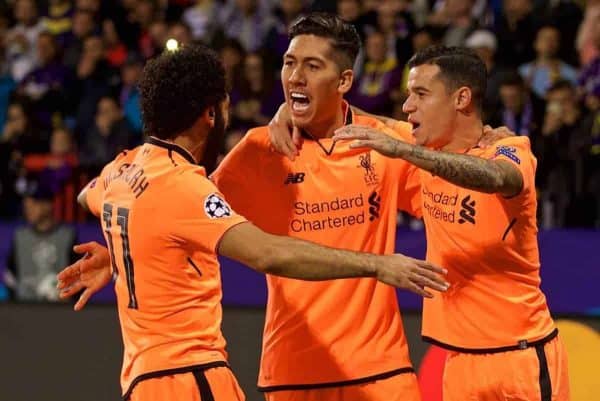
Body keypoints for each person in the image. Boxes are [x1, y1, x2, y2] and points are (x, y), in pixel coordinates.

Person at [56, 43, 448, 401]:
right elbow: (266, 253)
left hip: (143, 379)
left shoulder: (120, 169)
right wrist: (378, 264)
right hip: (190, 377)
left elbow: (87, 196)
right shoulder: (185, 186)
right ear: (210, 114)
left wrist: (127, 250)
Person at [332, 46, 570, 401]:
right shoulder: (427, 148)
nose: (407, 106)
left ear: (461, 99)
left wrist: (405, 152)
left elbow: (497, 177)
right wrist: (285, 114)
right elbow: (346, 114)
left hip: (519, 358)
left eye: (421, 94)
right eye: (409, 94)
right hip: (458, 362)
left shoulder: (509, 149)